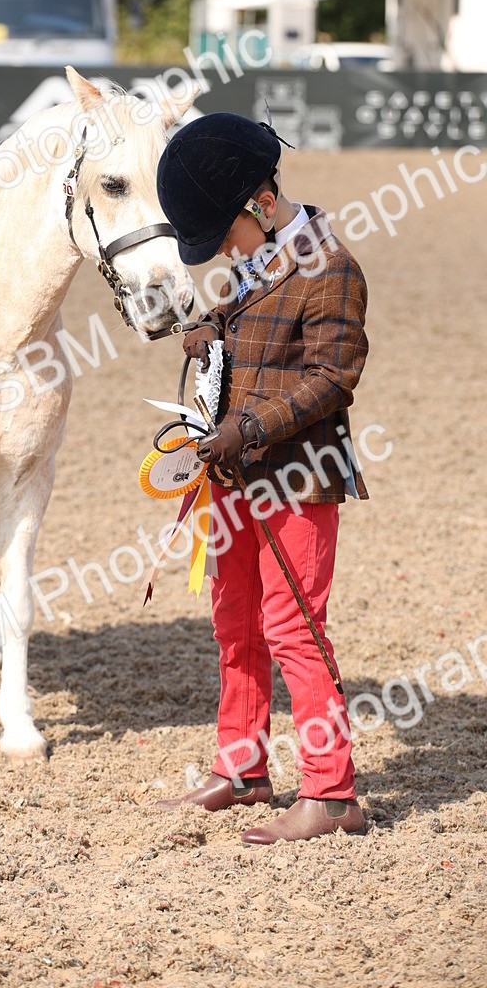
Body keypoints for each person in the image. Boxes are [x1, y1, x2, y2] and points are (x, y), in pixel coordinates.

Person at [153, 112, 369, 845]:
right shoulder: (262, 258)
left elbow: (331, 379)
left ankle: (332, 791)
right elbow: (250, 309)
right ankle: (243, 768)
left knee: (294, 627)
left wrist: (247, 427)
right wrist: (210, 324)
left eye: (224, 236)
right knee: (234, 617)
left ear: (264, 205)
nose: (220, 252)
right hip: (236, 477)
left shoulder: (332, 269)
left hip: (299, 479)